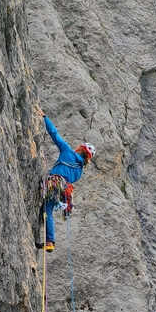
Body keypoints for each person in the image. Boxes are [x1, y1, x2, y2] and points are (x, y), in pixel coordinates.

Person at [36, 108, 95, 252]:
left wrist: (44, 117)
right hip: (62, 189)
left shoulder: (67, 151)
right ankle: (49, 238)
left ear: (80, 149)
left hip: (54, 182)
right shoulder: (80, 171)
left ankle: (50, 241)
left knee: (47, 210)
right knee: (47, 210)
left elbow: (54, 134)